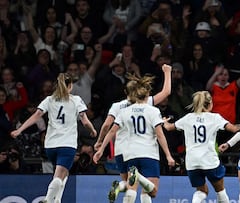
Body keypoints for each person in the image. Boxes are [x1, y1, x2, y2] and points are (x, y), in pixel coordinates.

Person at [10, 73, 97, 203]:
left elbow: (36, 115)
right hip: (67, 145)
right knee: (58, 176)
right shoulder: (75, 100)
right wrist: (93, 130)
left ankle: (58, 200)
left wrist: (19, 130)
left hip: (50, 145)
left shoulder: (49, 100)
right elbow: (84, 121)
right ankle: (48, 199)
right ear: (70, 85)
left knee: (63, 172)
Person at [93, 64, 172, 202]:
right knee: (150, 190)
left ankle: (121, 185)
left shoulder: (119, 108)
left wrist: (100, 145)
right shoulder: (149, 105)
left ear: (126, 91)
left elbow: (107, 127)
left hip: (124, 151)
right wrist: (167, 72)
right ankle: (135, 179)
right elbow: (166, 92)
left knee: (131, 186)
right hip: (147, 151)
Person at [163, 91, 240, 203]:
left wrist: (164, 122)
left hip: (192, 162)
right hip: (209, 160)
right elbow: (234, 128)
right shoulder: (215, 118)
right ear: (210, 104)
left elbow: (168, 127)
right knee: (220, 190)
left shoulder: (188, 118)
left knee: (202, 191)